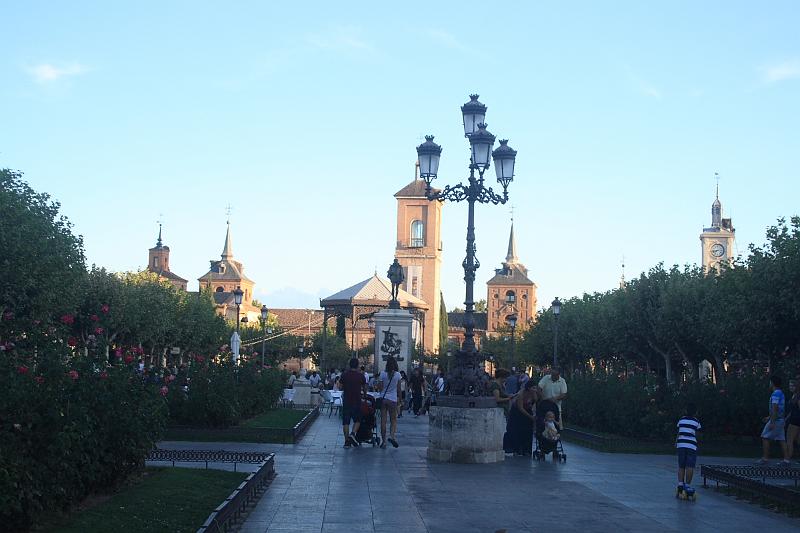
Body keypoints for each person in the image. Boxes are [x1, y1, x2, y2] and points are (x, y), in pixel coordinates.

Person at [758, 375, 790, 464]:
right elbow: (779, 408)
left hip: (776, 420)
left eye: (770, 382)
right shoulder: (781, 393)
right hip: (780, 420)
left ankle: (765, 458)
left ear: (772, 383)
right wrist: (769, 416)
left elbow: (775, 407)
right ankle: (786, 460)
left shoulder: (775, 394)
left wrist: (772, 421)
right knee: (781, 439)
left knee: (765, 437)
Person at [504, 380, 538, 455]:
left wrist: (534, 394)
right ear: (529, 388)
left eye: (536, 388)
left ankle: (526, 449)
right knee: (517, 430)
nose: (535, 389)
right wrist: (530, 417)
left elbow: (535, 401)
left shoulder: (533, 394)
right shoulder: (521, 394)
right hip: (517, 412)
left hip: (528, 409)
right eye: (533, 388)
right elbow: (520, 408)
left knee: (528, 430)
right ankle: (516, 449)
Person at [675, 402, 701, 499]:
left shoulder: (681, 419)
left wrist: (676, 442)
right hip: (691, 445)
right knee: (690, 466)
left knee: (681, 465)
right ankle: (687, 485)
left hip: (681, 444)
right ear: (695, 412)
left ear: (686, 411)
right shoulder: (696, 421)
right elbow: (697, 434)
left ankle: (680, 484)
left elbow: (679, 432)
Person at [341, 358, 367, 448]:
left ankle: (346, 442)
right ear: (357, 365)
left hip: (347, 401)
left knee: (346, 422)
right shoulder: (361, 376)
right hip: (357, 401)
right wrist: (365, 395)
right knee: (357, 420)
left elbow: (340, 386)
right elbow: (364, 388)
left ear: (349, 365)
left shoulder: (344, 375)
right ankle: (353, 434)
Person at [377, 357, 402, 448]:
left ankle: (383, 442)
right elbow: (399, 389)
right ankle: (392, 436)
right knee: (393, 420)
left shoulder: (382, 374)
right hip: (393, 400)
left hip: (383, 399)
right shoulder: (398, 375)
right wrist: (400, 399)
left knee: (383, 421)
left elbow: (380, 388)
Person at [787, 379, 800, 461]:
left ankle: (787, 459)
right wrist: (785, 419)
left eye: (793, 386)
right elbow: (792, 411)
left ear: (797, 387)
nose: (791, 387)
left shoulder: (798, 396)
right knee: (798, 440)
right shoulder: (794, 396)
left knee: (789, 439)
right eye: (790, 385)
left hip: (795, 421)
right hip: (794, 419)